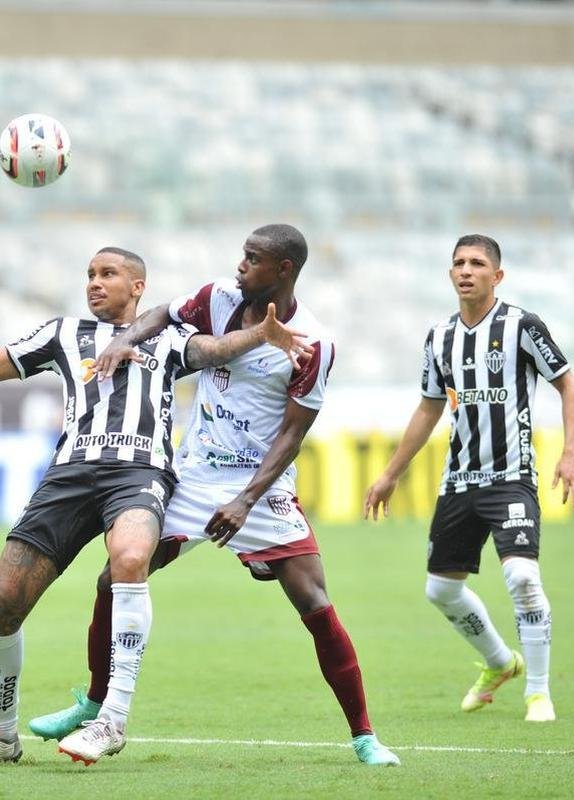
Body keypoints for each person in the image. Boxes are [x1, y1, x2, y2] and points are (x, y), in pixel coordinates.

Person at [0, 246, 312, 766]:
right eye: (89, 275)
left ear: (139, 287)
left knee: (129, 560)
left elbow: (217, 350)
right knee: (2, 604)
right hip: (69, 477)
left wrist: (262, 334)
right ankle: (1, 735)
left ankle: (111, 721)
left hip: (139, 472)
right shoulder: (61, 333)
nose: (95, 283)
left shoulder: (170, 337)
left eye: (108, 274)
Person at [27, 225, 400, 767]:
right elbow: (160, 314)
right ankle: (93, 701)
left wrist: (247, 500)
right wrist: (124, 339)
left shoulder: (314, 343)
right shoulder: (219, 298)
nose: (240, 266)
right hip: (193, 478)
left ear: (284, 271)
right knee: (115, 576)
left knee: (315, 604)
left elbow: (293, 434)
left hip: (259, 492)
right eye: (243, 256)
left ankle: (365, 737)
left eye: (253, 259)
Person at [363, 234, 574, 723]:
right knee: (440, 590)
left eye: (478, 263)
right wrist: (390, 474)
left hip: (511, 478)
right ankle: (500, 662)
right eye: (459, 262)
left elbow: (568, 383)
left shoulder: (521, 325)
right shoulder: (439, 336)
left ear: (496, 276)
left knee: (522, 576)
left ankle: (539, 693)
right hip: (459, 482)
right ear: (450, 273)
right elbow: (428, 407)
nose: (466, 270)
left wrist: (570, 453)